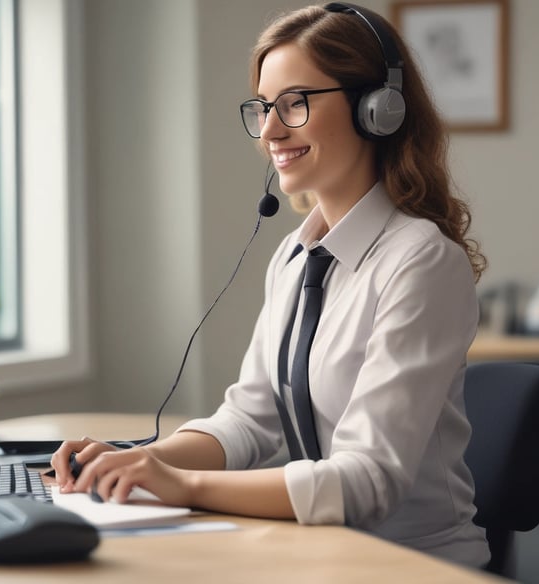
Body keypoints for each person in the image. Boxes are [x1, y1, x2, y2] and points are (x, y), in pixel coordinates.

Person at [51, 2, 489, 568]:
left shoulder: (421, 261)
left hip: (414, 566)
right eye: (262, 107)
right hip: (322, 552)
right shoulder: (294, 257)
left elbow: (367, 480)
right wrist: (140, 462)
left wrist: (182, 485)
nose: (270, 131)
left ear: (377, 109)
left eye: (295, 103)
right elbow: (248, 421)